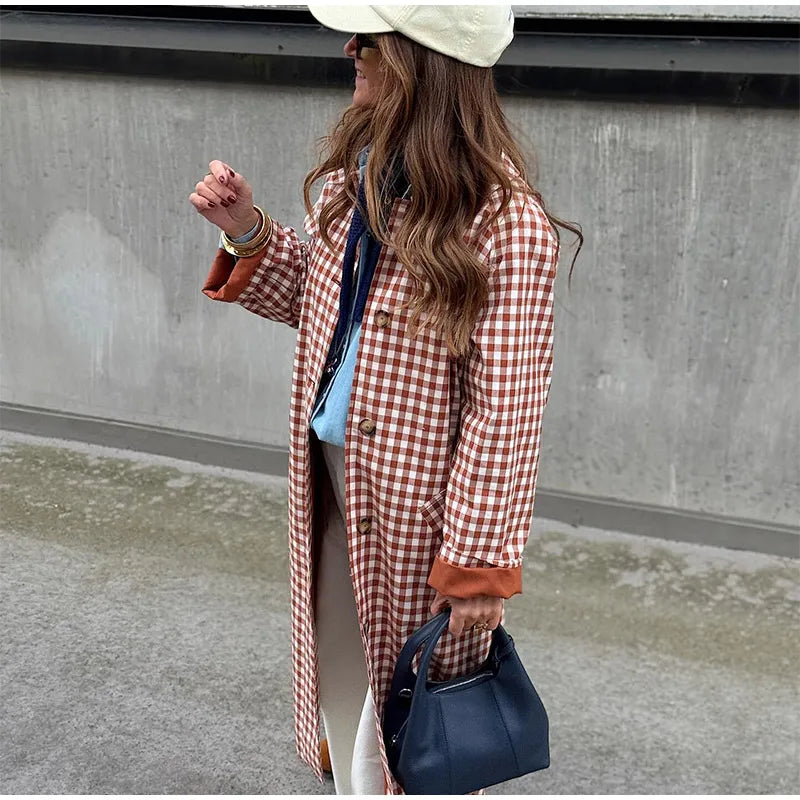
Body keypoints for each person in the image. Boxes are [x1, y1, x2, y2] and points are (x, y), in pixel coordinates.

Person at [190, 5, 581, 795]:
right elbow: (319, 301)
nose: (350, 49)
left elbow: (506, 409)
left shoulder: (505, 225)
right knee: (341, 655)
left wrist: (476, 564)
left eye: (370, 39)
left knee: (409, 696)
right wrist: (248, 234)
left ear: (419, 62)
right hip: (331, 469)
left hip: (418, 501)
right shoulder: (353, 182)